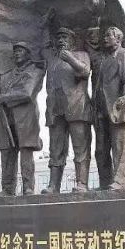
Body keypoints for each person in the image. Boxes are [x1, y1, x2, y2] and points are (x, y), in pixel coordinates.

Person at [39, 25, 93, 194]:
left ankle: (81, 183)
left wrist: (70, 58)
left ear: (72, 41)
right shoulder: (52, 60)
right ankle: (54, 185)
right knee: (56, 149)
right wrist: (46, 22)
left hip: (77, 108)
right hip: (56, 110)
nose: (61, 41)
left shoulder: (81, 55)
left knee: (80, 147)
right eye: (59, 38)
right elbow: (42, 44)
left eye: (65, 38)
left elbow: (84, 72)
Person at [0, 42, 45, 196]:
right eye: (15, 51)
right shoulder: (6, 74)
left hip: (25, 118)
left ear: (28, 54)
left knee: (26, 152)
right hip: (6, 118)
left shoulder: (35, 70)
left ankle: (28, 187)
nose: (17, 53)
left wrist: (5, 97)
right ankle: (8, 188)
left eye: (20, 51)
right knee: (7, 153)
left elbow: (27, 93)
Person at [94, 27, 125, 190]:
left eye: (108, 35)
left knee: (120, 149)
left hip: (120, 110)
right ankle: (105, 182)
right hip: (103, 111)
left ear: (118, 38)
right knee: (101, 150)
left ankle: (120, 181)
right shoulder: (105, 60)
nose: (105, 38)